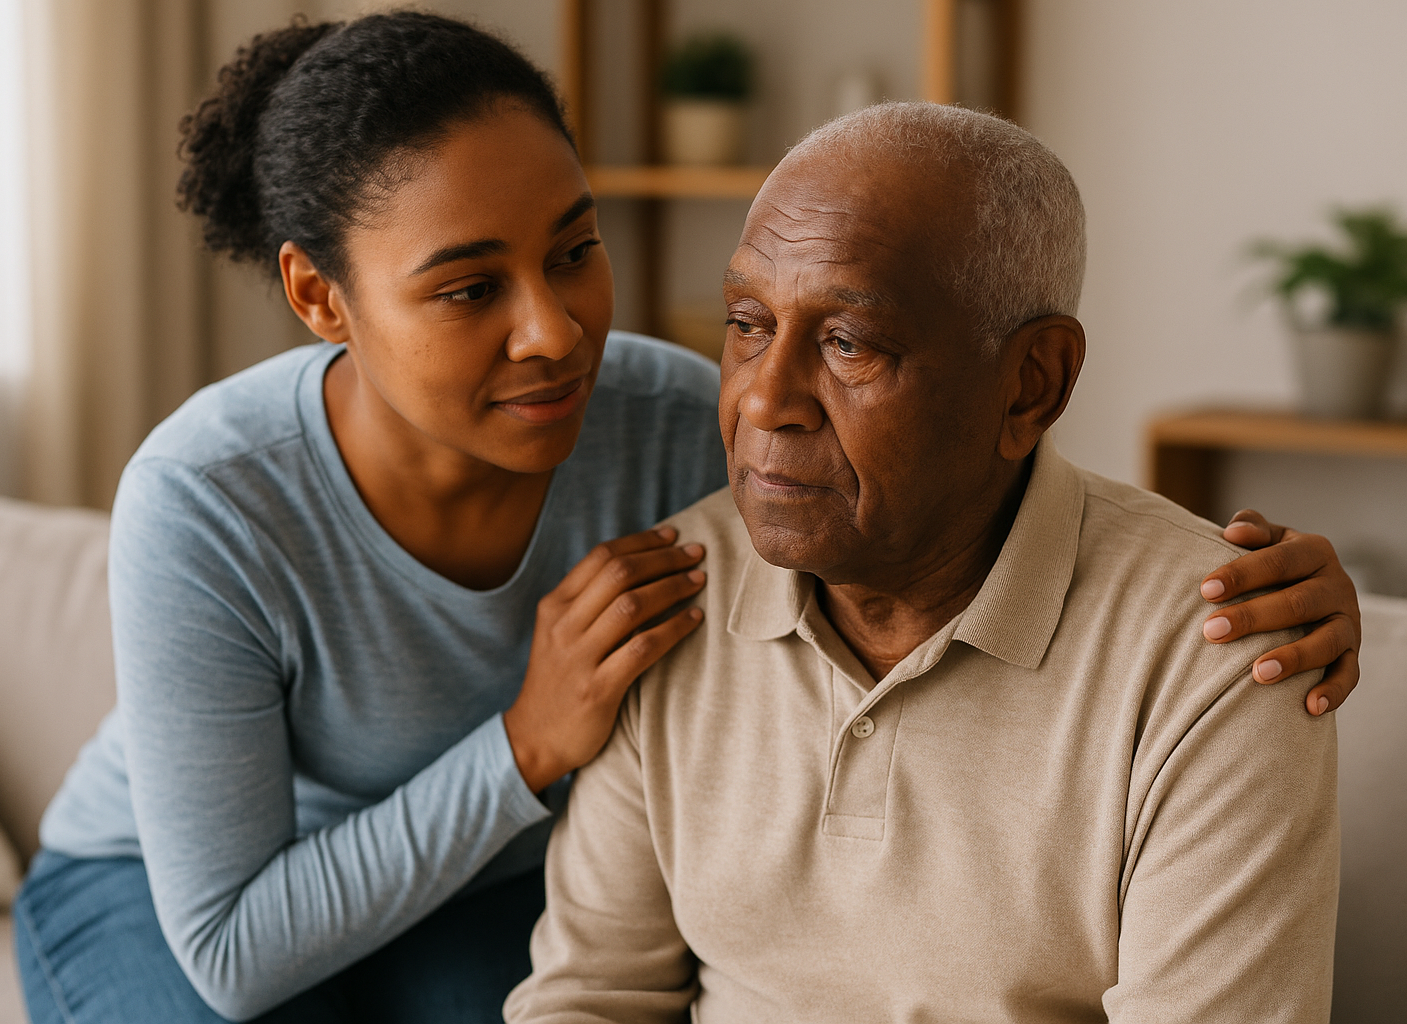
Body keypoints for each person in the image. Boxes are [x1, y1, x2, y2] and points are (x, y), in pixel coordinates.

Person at [10, 14, 1358, 1024]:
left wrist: (1296, 599)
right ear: (321, 300)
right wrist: (530, 744)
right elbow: (238, 951)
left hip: (477, 884)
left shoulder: (677, 422)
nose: (557, 333)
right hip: (197, 897)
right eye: (470, 288)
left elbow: (999, 508)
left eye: (577, 251)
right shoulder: (209, 497)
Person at [505, 102, 1343, 1024]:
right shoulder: (669, 597)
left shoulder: (1226, 650)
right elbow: (588, 998)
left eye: (848, 343)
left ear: (1033, 384)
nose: (764, 399)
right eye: (748, 322)